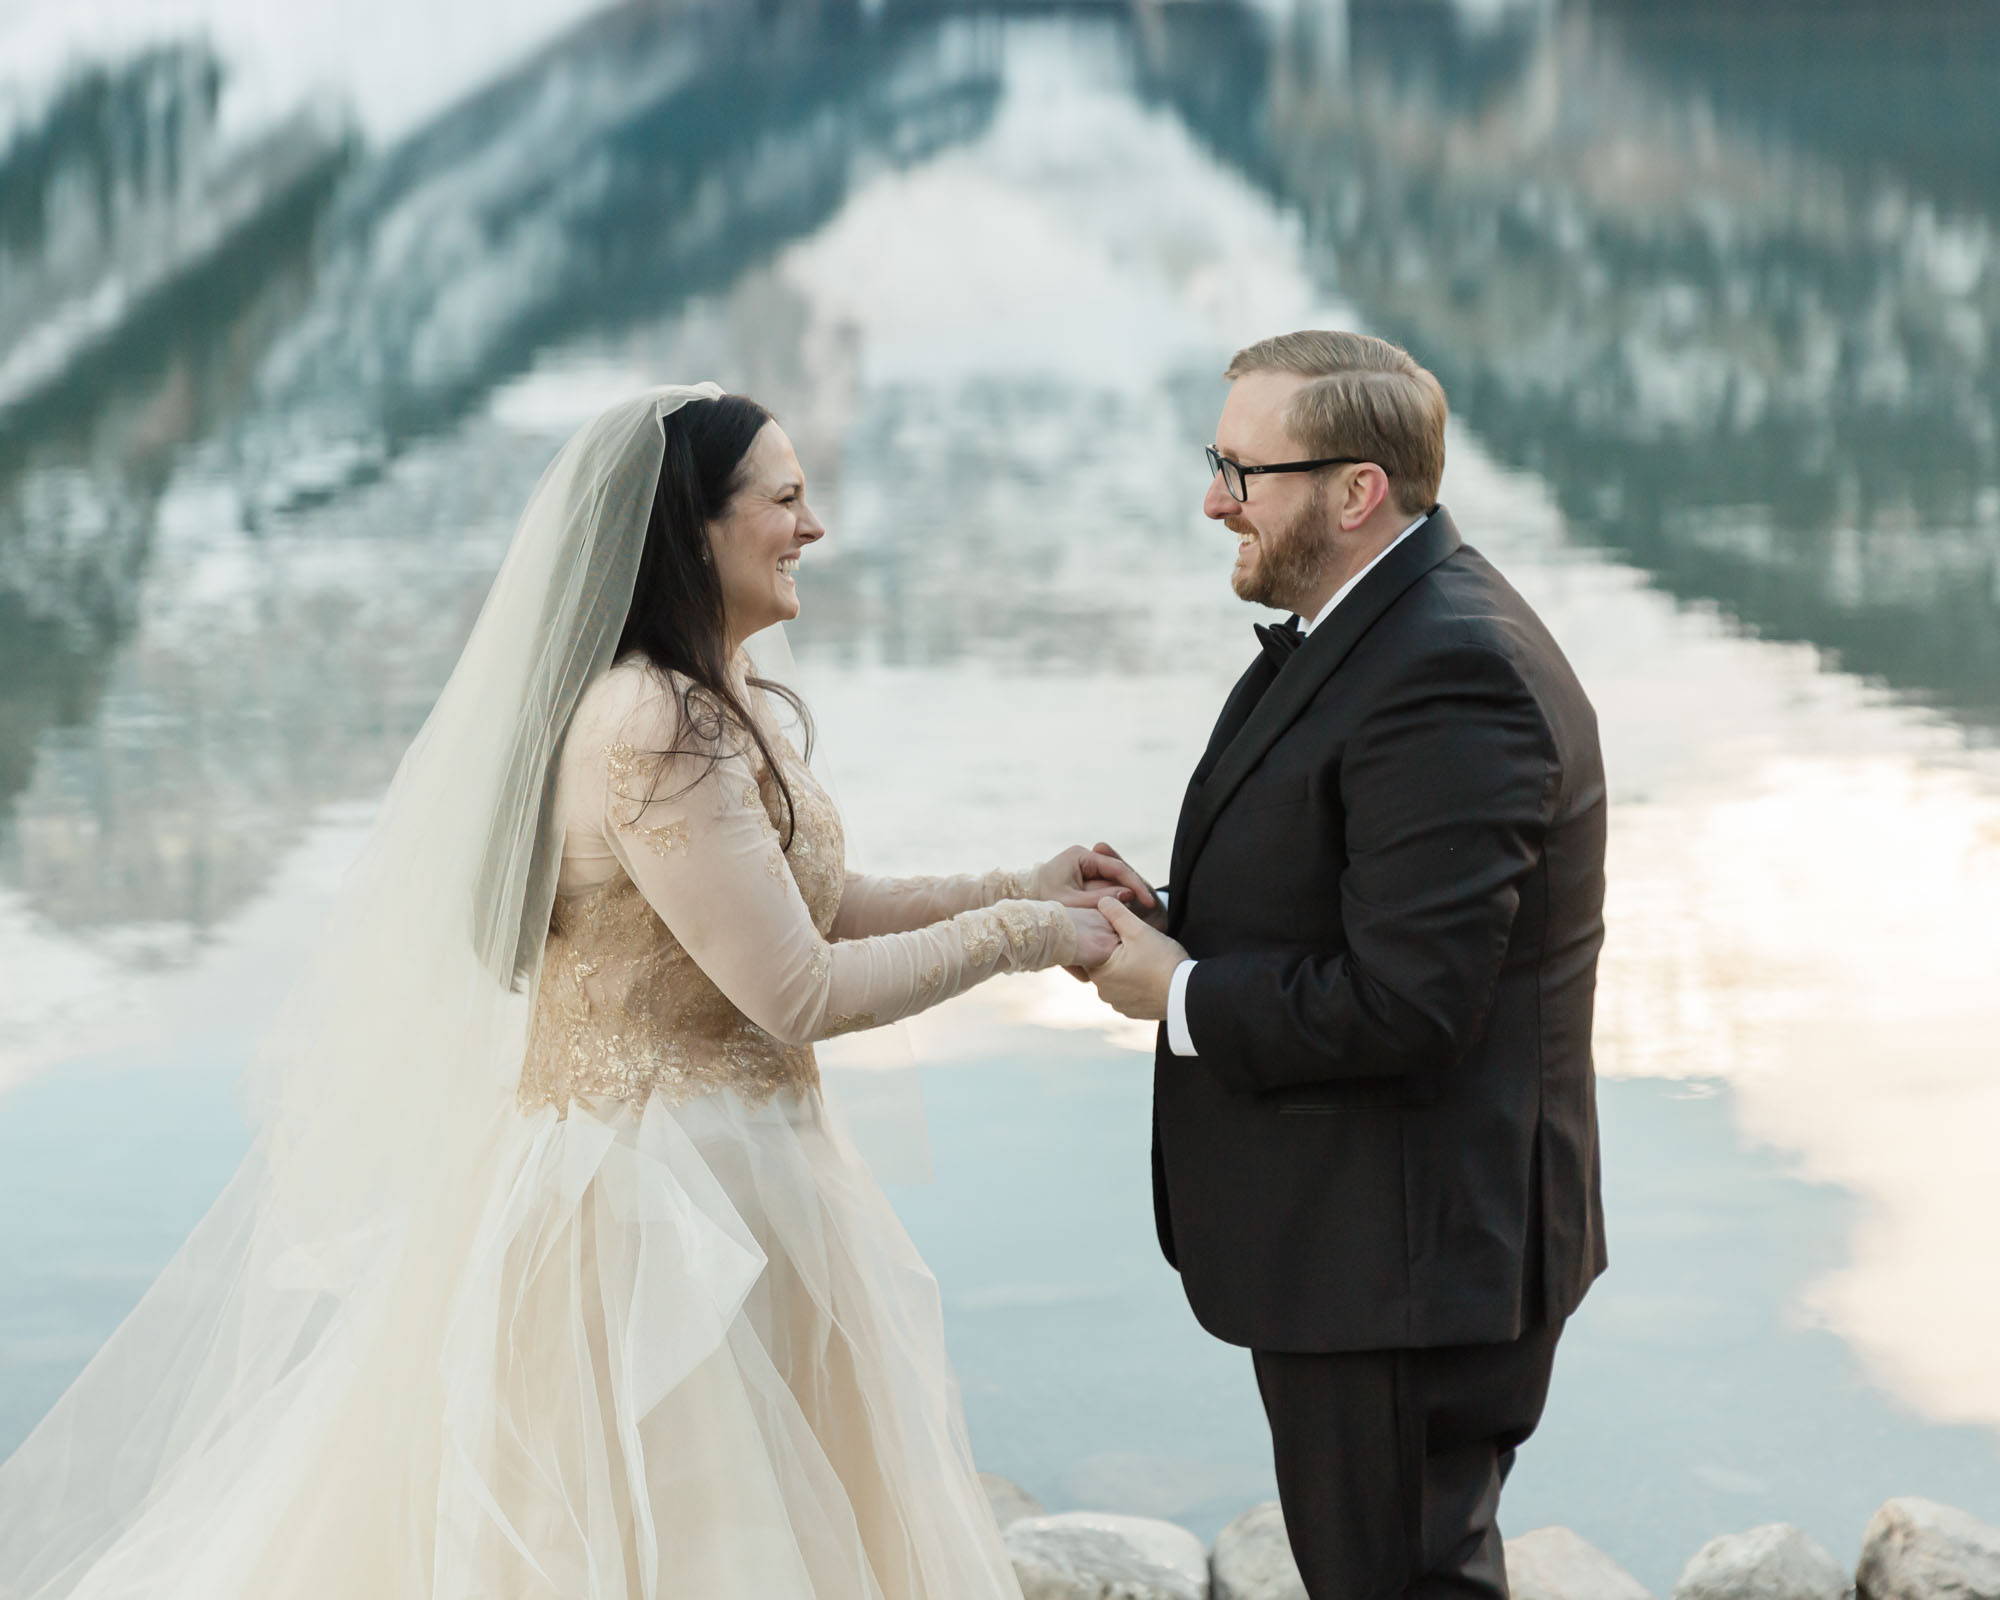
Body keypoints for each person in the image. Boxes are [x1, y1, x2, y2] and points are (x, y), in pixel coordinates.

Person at [0, 384, 1147, 1599]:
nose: (813, 527)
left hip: (741, 1178)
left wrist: (1016, 882)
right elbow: (796, 989)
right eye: (787, 500)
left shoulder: (716, 701)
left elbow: (805, 899)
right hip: (654, 1213)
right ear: (689, 530)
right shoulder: (654, 722)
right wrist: (1033, 936)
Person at [1087, 332, 1608, 1600]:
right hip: (1374, 1250)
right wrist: (1171, 919)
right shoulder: (1368, 628)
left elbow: (1408, 1002)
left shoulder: (1448, 667)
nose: (1214, 500)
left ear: (1355, 488)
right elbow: (1361, 895)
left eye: (1241, 471)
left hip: (1408, 1267)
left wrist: (1181, 994)